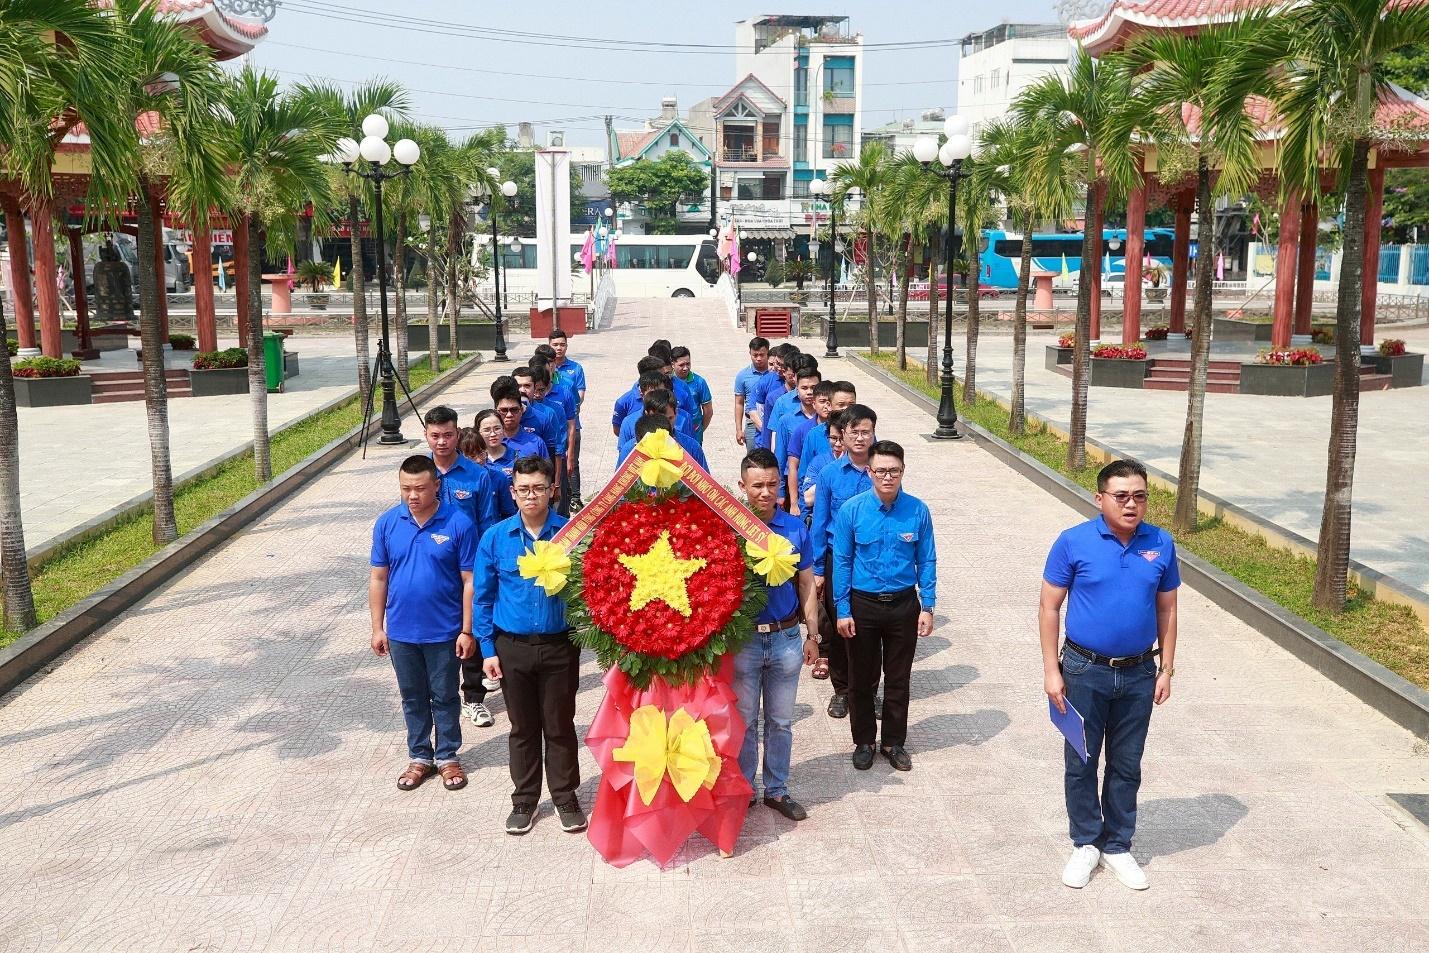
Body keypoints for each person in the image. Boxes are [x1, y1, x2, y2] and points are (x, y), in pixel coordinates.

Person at [1040, 459, 1179, 892]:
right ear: (1099, 498)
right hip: (1083, 669)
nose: (1131, 504)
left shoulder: (1161, 543)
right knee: (1081, 759)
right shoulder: (1073, 542)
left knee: (1126, 763)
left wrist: (1167, 668)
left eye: (1139, 495)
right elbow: (1049, 607)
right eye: (1121, 496)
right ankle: (1085, 842)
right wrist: (1051, 671)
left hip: (1139, 671)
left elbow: (1167, 608)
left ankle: (1118, 844)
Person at [474, 456, 586, 835]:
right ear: (513, 493)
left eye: (539, 488)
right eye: (523, 489)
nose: (531, 496)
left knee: (559, 724)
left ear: (553, 490)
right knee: (522, 727)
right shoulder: (496, 538)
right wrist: (487, 649)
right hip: (512, 647)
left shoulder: (570, 534)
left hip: (559, 646)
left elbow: (589, 589)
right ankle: (524, 799)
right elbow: (483, 598)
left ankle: (565, 795)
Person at [369, 455, 478, 792]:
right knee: (412, 696)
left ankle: (447, 756)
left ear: (436, 486)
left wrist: (466, 630)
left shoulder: (458, 524)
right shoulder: (388, 523)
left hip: (444, 631)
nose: (412, 495)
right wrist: (377, 627)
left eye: (419, 488)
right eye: (405, 489)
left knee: (444, 695)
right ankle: (420, 756)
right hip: (402, 631)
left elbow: (469, 580)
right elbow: (378, 578)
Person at [831, 440, 936, 773]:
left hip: (903, 605)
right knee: (862, 678)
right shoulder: (852, 510)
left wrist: (928, 604)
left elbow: (927, 559)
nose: (887, 477)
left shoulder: (917, 510)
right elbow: (843, 561)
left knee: (898, 678)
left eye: (894, 470)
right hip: (863, 605)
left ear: (903, 471)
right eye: (880, 471)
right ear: (869, 471)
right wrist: (843, 609)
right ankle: (864, 741)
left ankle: (893, 742)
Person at [733, 449, 820, 821]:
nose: (765, 493)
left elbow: (807, 585)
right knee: (745, 720)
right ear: (743, 486)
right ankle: (743, 789)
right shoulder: (731, 529)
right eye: (757, 486)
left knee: (781, 721)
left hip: (785, 638)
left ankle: (777, 789)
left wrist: (812, 634)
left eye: (772, 484)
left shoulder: (794, 528)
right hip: (744, 641)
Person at [809, 404, 877, 716]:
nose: (861, 438)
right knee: (839, 627)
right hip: (839, 559)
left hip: (873, 560)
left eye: (866, 431)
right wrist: (819, 570)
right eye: (854, 432)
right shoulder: (829, 475)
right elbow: (820, 523)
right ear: (843, 436)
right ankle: (842, 690)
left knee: (870, 629)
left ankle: (868, 690)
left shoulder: (882, 470)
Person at [423, 406, 496, 543]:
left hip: (468, 553)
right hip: (429, 553)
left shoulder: (479, 474)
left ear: (458, 433)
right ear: (425, 434)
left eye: (448, 435)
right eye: (435, 436)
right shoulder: (418, 473)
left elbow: (486, 522)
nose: (442, 442)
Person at [526, 358, 578, 516]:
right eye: (535, 390)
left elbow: (559, 446)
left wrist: (556, 482)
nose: (538, 394)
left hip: (553, 463)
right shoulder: (520, 411)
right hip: (528, 467)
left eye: (542, 390)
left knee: (557, 508)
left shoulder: (554, 410)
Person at [511, 367, 566, 510]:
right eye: (518, 386)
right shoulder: (504, 415)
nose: (522, 390)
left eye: (527, 386)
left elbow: (555, 452)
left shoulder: (546, 415)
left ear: (535, 387)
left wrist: (556, 484)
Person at [547, 329, 586, 509]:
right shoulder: (543, 371)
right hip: (551, 429)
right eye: (555, 345)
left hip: (572, 423)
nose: (559, 348)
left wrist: (568, 409)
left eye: (562, 344)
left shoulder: (575, 369)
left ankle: (575, 497)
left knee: (572, 462)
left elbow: (580, 393)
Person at [777, 370, 824, 513]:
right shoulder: (787, 420)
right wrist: (781, 493)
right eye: (804, 388)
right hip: (795, 485)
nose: (809, 392)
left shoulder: (832, 425)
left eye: (814, 388)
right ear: (797, 390)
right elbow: (781, 458)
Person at [791, 380, 856, 480]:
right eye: (841, 404)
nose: (846, 409)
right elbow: (804, 476)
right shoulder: (814, 435)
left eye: (851, 405)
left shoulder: (864, 435)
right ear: (829, 405)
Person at [466, 413, 516, 517]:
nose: (493, 434)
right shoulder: (455, 477)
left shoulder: (517, 458)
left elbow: (508, 512)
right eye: (487, 430)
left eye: (497, 428)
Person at [631, 408, 709, 473]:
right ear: (639, 444)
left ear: (672, 440)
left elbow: (707, 487)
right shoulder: (629, 452)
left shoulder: (690, 448)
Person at [489, 381, 549, 463]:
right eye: (504, 410)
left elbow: (546, 473)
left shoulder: (536, 443)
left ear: (521, 410)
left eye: (514, 410)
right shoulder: (488, 442)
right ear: (496, 412)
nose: (509, 415)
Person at [734, 336, 775, 447]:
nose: (758, 358)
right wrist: (738, 429)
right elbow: (739, 403)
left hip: (773, 422)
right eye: (755, 355)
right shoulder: (742, 376)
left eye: (762, 355)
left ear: (768, 353)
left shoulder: (775, 374)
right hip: (752, 423)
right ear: (750, 353)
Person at [611, 356, 669, 432]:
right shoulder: (623, 402)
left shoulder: (669, 396)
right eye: (660, 375)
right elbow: (617, 430)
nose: (665, 378)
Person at [671, 345, 714, 444]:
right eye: (681, 365)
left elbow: (708, 411)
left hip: (694, 431)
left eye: (688, 364)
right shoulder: (668, 382)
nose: (686, 368)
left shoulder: (699, 382)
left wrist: (700, 429)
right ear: (672, 364)